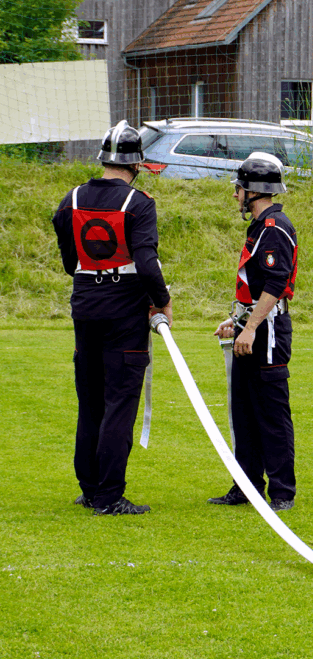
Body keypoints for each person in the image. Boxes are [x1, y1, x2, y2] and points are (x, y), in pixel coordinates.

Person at [51, 120, 173, 516]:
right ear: (136, 164)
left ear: (104, 159)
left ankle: (89, 488)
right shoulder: (139, 203)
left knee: (90, 401)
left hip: (85, 306)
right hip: (124, 312)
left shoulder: (71, 199)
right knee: (120, 402)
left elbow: (69, 261)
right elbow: (147, 263)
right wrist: (162, 301)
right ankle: (108, 495)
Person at [209, 152, 299, 511]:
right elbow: (254, 285)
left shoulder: (274, 228)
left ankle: (282, 492)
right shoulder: (260, 227)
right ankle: (245, 487)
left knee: (271, 414)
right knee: (243, 412)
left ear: (254, 191)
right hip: (252, 326)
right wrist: (236, 322)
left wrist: (250, 328)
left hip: (269, 332)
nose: (236, 194)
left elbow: (275, 284)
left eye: (239, 188)